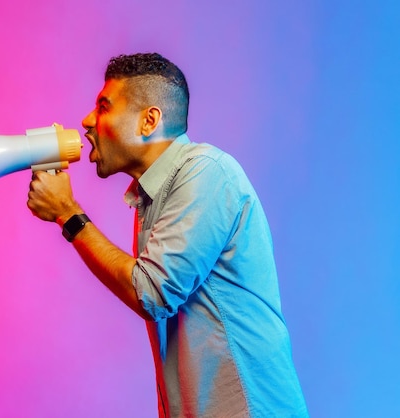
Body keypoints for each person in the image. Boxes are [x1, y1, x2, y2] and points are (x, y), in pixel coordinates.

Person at [27, 52, 308, 418]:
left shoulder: (207, 172)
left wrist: (69, 214)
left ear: (149, 120)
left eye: (104, 106)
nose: (86, 121)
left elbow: (151, 293)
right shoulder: (152, 196)